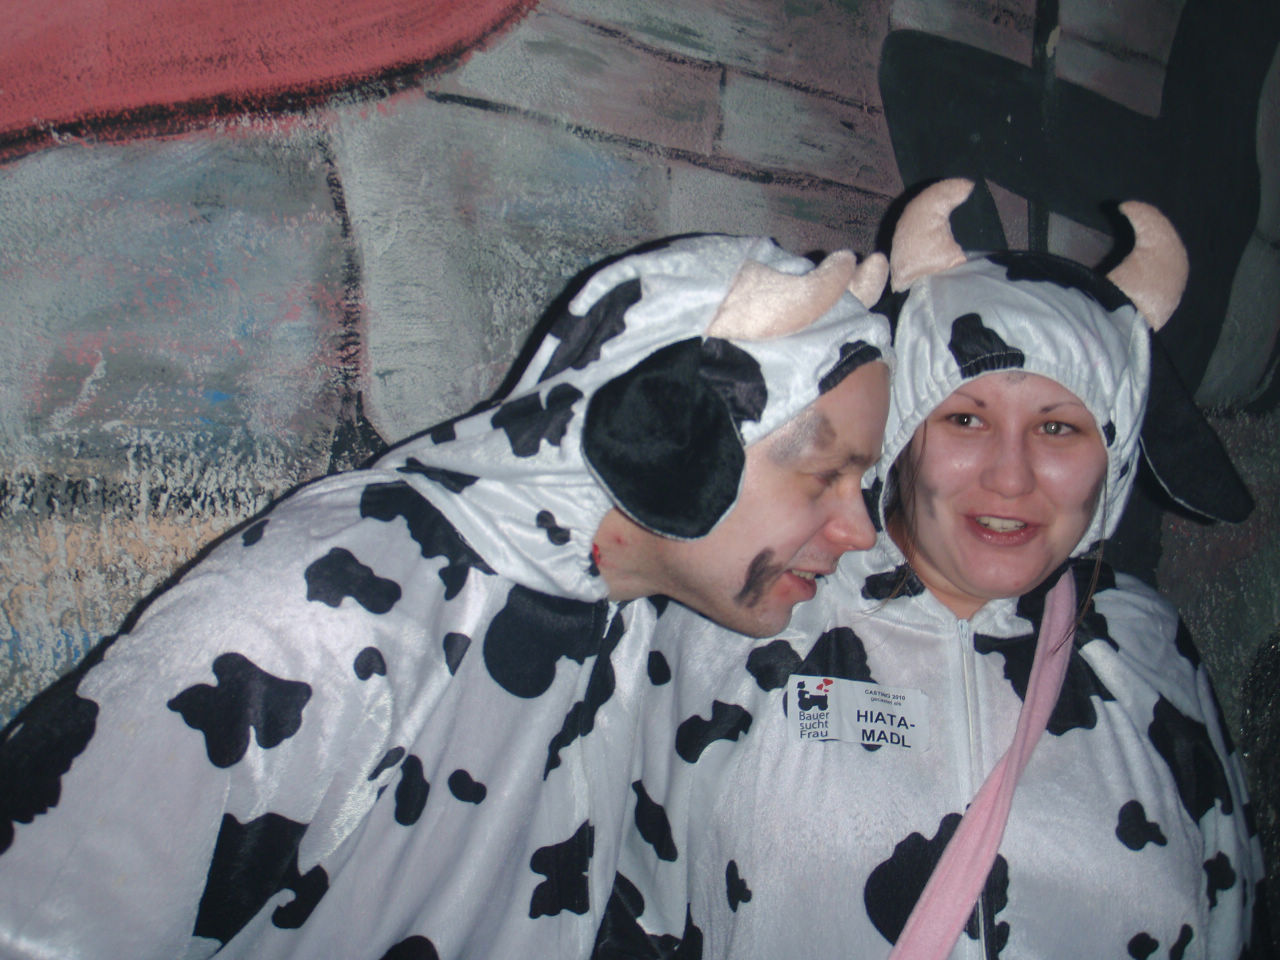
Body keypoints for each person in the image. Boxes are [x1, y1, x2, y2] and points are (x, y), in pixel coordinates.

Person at [0, 233, 893, 960]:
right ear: (669, 438)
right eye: (825, 473)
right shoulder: (309, 619)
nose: (860, 530)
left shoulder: (611, 620)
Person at [598, 181, 1266, 960]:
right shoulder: (749, 615)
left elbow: (1234, 914)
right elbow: (620, 909)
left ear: (1113, 457)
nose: (1010, 477)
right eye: (966, 418)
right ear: (905, 432)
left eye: (1058, 428)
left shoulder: (1148, 651)